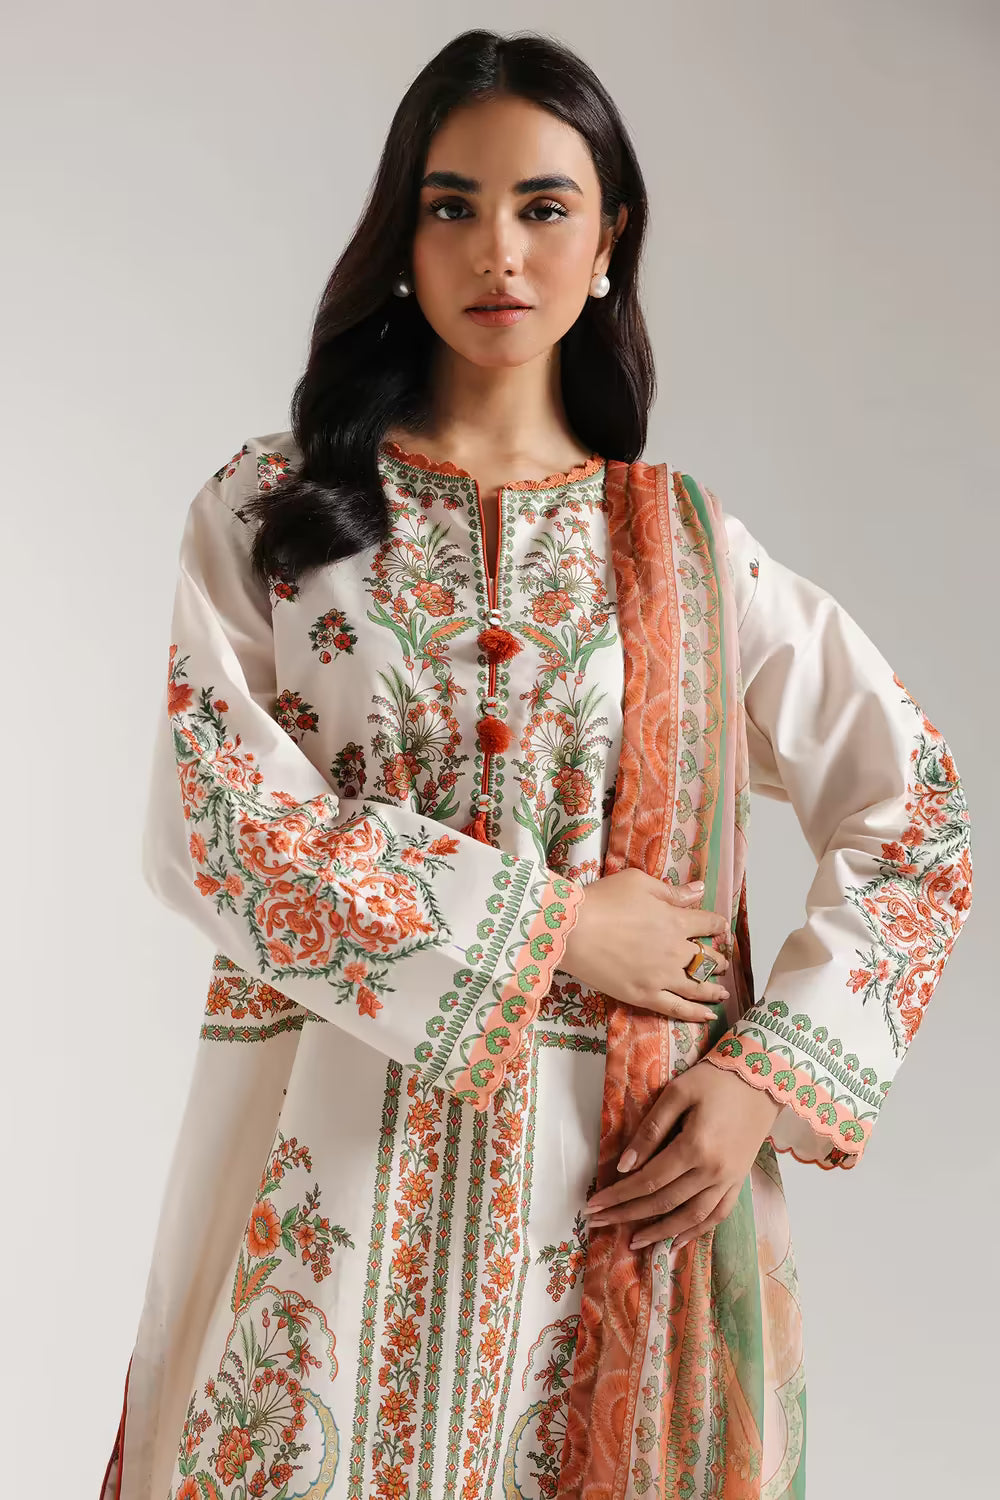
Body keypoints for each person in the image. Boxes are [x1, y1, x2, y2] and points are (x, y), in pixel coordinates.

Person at [99, 28, 973, 1500]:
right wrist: (559, 924)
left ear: (609, 239)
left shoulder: (688, 557)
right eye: (452, 205)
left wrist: (766, 1079)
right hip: (326, 1192)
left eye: (543, 207)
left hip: (613, 1201)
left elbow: (917, 814)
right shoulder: (276, 516)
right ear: (401, 235)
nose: (497, 251)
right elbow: (221, 825)